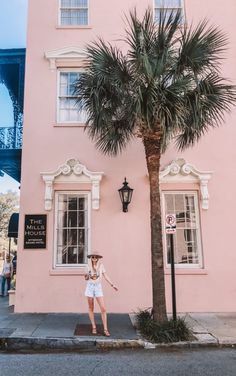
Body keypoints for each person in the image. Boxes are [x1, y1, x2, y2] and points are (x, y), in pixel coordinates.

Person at [84, 251, 118, 337]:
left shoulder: (101, 266)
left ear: (98, 258)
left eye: (96, 257)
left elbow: (105, 275)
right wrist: (88, 274)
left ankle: (105, 329)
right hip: (90, 287)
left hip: (98, 287)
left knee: (103, 308)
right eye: (93, 257)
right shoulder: (87, 266)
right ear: (91, 258)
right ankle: (94, 327)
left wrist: (112, 285)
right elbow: (86, 278)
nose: (94, 258)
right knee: (91, 307)